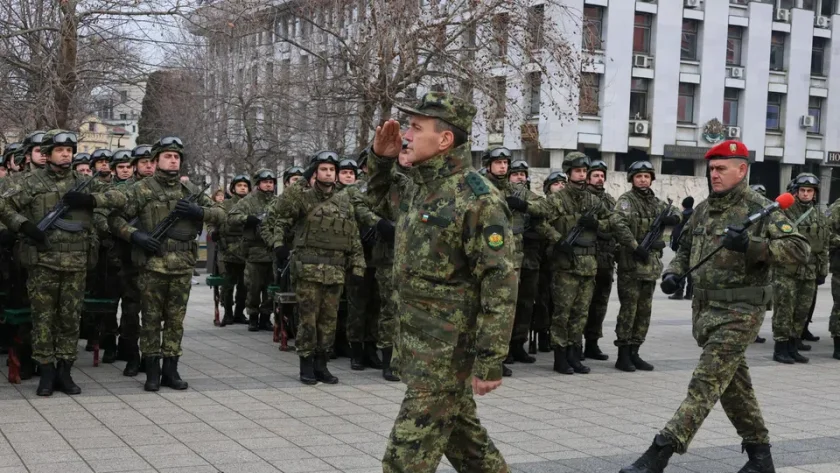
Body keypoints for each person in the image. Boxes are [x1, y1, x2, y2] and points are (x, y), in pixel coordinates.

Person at [621, 140, 809, 473]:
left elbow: (799, 249)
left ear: (742, 170)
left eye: (721, 168)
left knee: (705, 383)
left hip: (741, 312)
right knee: (735, 388)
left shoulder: (761, 208)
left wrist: (752, 246)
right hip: (705, 313)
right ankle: (760, 458)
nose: (715, 175)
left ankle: (659, 453)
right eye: (711, 169)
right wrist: (673, 273)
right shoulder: (705, 208)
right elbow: (685, 248)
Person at [367, 92, 517, 472]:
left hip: (445, 355)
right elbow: (378, 200)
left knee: (403, 461)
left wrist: (490, 359)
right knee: (469, 448)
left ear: (445, 139)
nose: (406, 135)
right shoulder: (419, 186)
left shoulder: (478, 199)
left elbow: (499, 281)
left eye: (416, 128)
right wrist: (381, 160)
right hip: (418, 346)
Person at [0, 129, 127, 396]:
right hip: (43, 264)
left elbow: (120, 198)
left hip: (76, 264)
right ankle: (46, 372)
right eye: (60, 150)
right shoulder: (30, 182)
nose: (66, 155)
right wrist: (24, 225)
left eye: (69, 150)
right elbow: (4, 206)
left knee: (70, 320)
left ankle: (65, 371)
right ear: (47, 154)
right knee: (43, 320)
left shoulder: (84, 182)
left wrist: (91, 200)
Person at [112, 136, 225, 391]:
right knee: (151, 320)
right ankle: (152, 371)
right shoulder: (141, 189)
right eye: (168, 156)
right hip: (153, 265)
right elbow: (115, 219)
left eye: (176, 157)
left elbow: (221, 214)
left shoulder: (188, 191)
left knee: (175, 321)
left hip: (182, 266)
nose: (173, 160)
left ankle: (171, 371)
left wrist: (199, 212)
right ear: (155, 161)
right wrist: (136, 236)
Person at [264, 151, 365, 385]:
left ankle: (322, 364)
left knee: (329, 321)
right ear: (315, 172)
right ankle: (306, 364)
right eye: (323, 169)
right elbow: (282, 212)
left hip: (335, 272)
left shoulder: (344, 201)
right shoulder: (303, 198)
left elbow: (353, 236)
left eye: (332, 170)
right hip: (308, 270)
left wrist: (358, 266)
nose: (328, 173)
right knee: (308, 320)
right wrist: (278, 245)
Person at [543, 153, 635, 375]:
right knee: (562, 313)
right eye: (578, 171)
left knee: (580, 313)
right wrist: (558, 240)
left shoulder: (593, 200)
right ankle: (560, 357)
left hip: (588, 265)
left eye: (584, 171)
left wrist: (596, 224)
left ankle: (574, 354)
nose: (582, 175)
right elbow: (540, 223)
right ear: (568, 173)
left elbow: (612, 222)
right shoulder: (557, 199)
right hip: (566, 264)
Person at [612, 161, 681, 372]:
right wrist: (635, 246)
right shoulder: (626, 201)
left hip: (650, 267)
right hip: (631, 266)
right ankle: (623, 354)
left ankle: (635, 351)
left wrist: (673, 217)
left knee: (644, 312)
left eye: (647, 176)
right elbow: (618, 224)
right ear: (632, 179)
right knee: (629, 311)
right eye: (639, 176)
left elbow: (677, 212)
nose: (643, 180)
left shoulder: (657, 203)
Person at [770, 173, 828, 364]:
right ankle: (780, 348)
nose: (805, 194)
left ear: (814, 193)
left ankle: (793, 346)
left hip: (809, 271)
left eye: (809, 191)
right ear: (795, 191)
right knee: (784, 310)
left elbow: (824, 244)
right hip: (787, 270)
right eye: (802, 190)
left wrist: (822, 270)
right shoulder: (785, 212)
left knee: (802, 311)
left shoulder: (819, 215)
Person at [336, 158, 384, 371]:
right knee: (357, 306)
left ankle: (371, 348)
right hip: (357, 256)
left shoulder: (385, 186)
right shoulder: (352, 191)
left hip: (379, 257)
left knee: (376, 305)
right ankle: (356, 349)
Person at [228, 169, 277, 332]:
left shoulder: (278, 201)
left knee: (270, 289)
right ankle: (253, 317)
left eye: (271, 182)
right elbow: (231, 218)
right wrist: (247, 219)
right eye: (265, 182)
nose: (268, 185)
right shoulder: (248, 201)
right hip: (254, 251)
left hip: (273, 251)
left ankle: (266, 318)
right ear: (258, 184)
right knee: (253, 288)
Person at [583, 160, 615, 361]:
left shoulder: (610, 200)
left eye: (602, 175)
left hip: (606, 259)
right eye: (596, 175)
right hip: (587, 258)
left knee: (600, 304)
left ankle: (592, 343)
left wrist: (600, 226)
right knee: (582, 304)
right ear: (588, 178)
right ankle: (575, 344)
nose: (600, 178)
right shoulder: (584, 198)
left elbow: (616, 223)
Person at [215, 175, 251, 326]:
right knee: (228, 285)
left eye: (245, 186)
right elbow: (213, 221)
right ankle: (228, 313)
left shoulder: (251, 204)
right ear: (233, 189)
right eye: (239, 185)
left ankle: (239, 313)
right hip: (228, 251)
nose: (242, 188)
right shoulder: (225, 204)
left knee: (244, 285)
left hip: (247, 251)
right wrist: (213, 232)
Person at [668, 196, 695, 300]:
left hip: (682, 244)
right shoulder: (696, 215)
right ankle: (689, 293)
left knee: (681, 267)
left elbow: (676, 232)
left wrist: (674, 244)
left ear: (683, 205)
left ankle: (679, 292)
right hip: (693, 245)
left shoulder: (682, 216)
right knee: (691, 268)